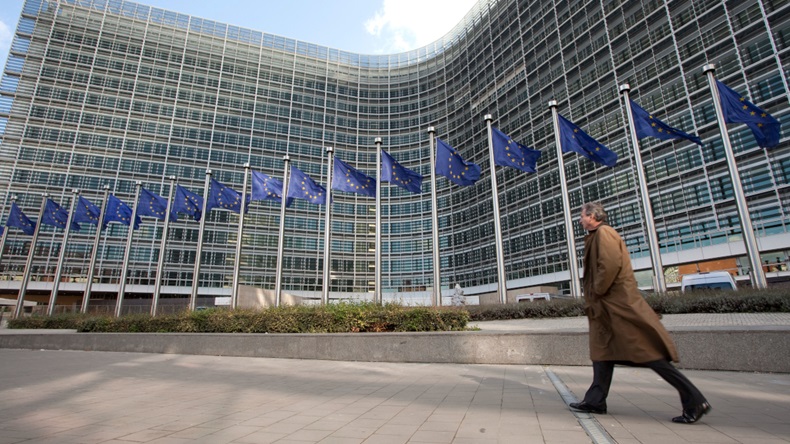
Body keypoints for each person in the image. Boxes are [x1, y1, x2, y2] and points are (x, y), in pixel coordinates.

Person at [569, 202, 711, 424]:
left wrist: (596, 292)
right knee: (603, 353)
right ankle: (595, 400)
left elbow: (609, 265)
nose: (579, 220)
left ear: (593, 216)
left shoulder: (605, 233)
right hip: (608, 308)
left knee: (648, 354)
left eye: (582, 216)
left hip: (618, 307)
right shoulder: (597, 235)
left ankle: (695, 400)